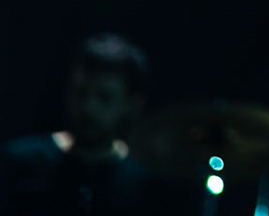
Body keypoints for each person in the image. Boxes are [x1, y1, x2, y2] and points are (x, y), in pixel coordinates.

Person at [0, 35, 180, 216]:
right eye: (80, 93)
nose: (88, 108)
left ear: (132, 104)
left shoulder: (144, 182)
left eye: (104, 98)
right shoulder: (20, 162)